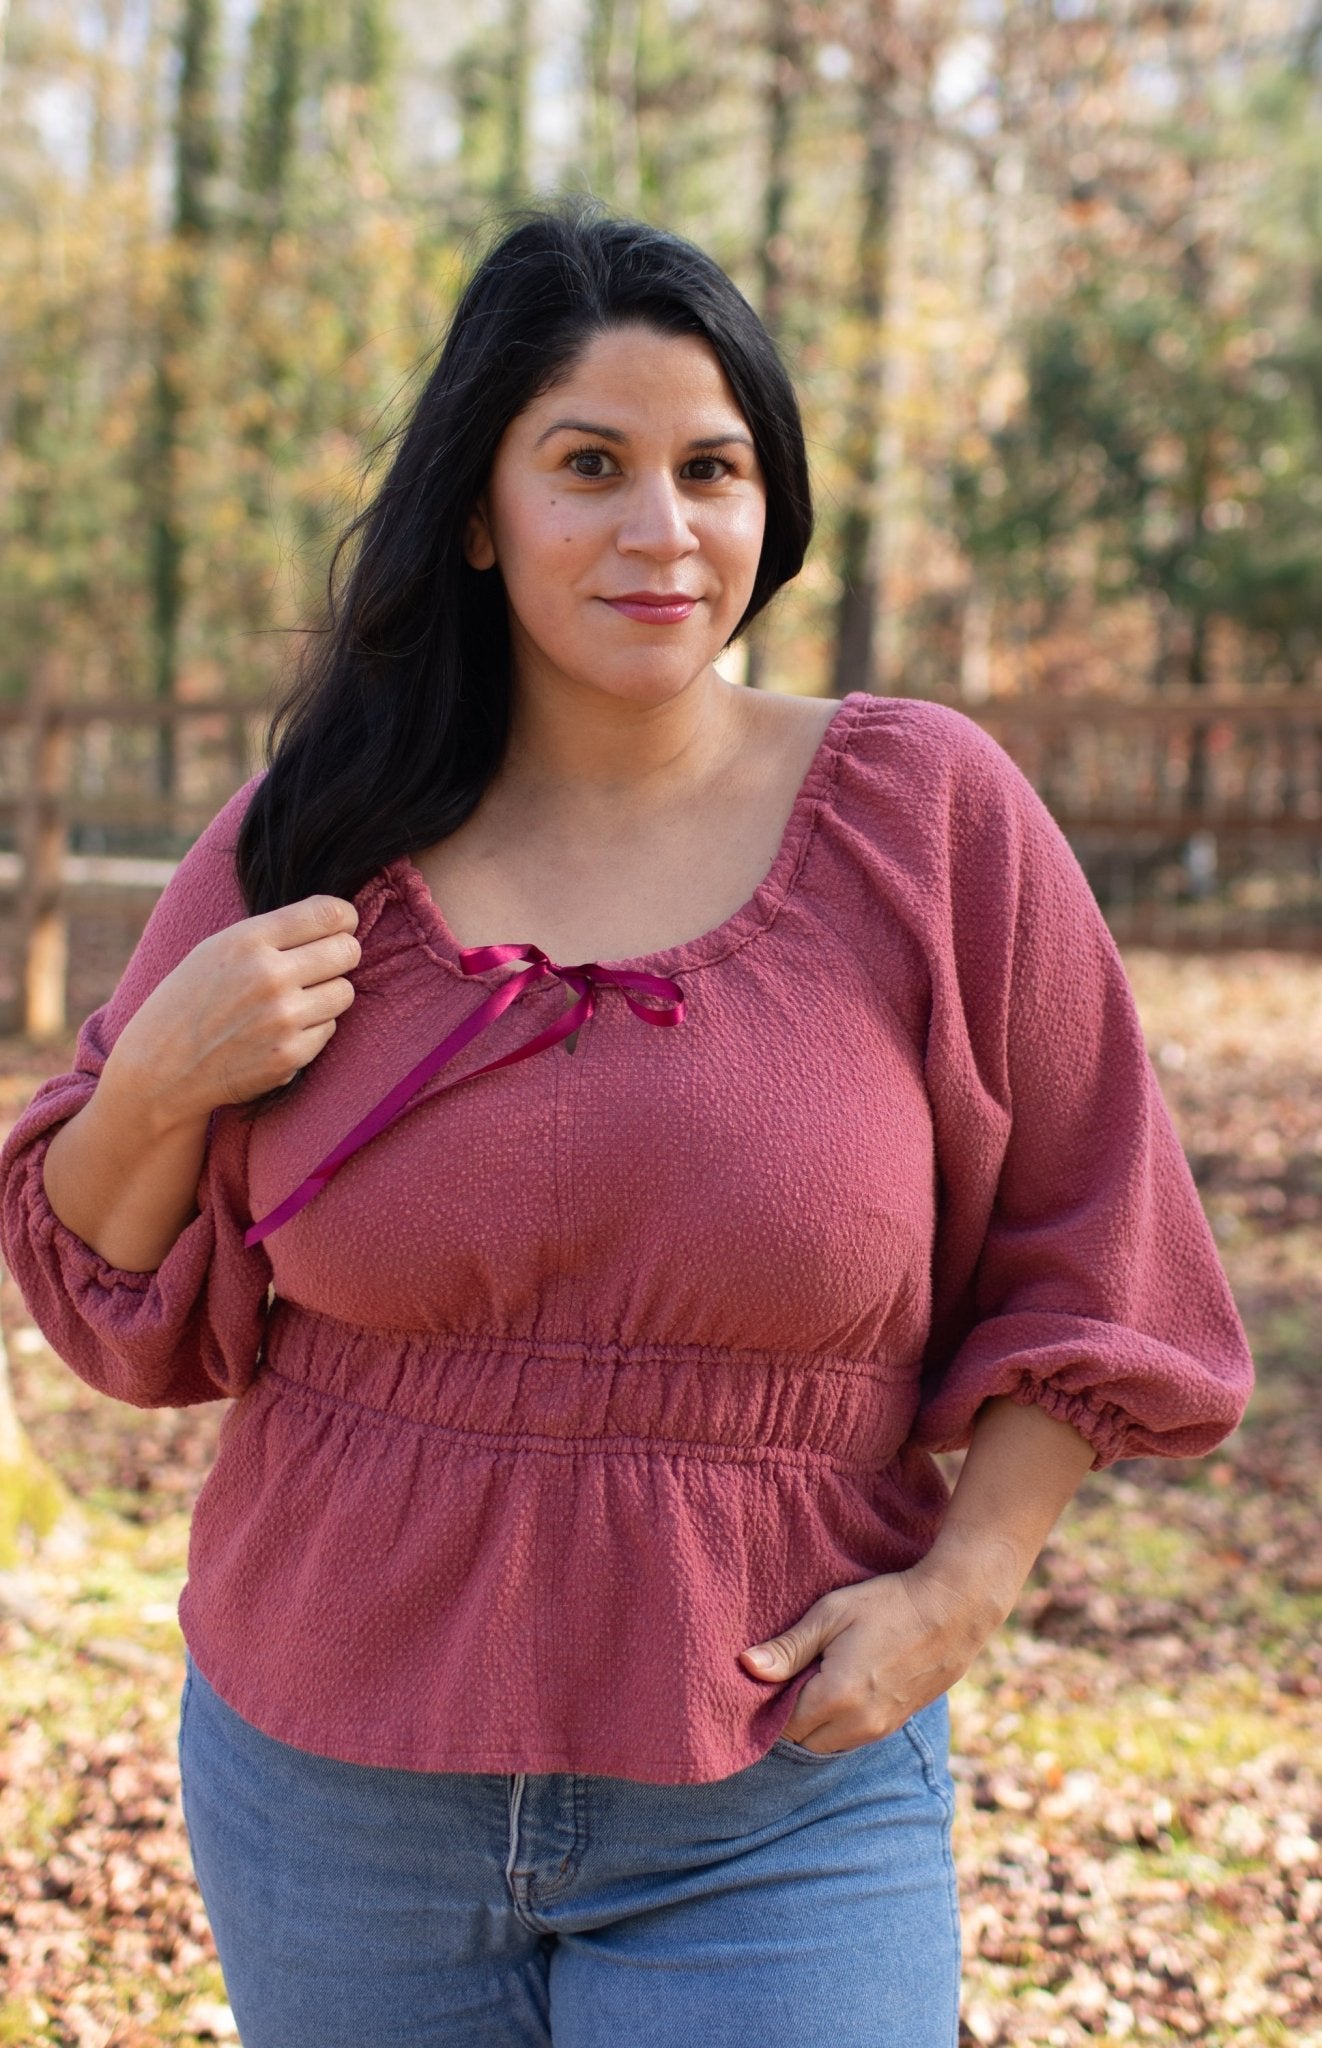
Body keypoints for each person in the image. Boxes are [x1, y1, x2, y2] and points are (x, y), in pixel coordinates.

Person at [0, 202, 1252, 2048]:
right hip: (329, 1785)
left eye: (710, 469)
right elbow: (101, 1286)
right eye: (588, 466)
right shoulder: (320, 830)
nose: (660, 529)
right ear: (478, 513)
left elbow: (1102, 1238)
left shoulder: (925, 816)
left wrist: (966, 1584)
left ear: (769, 505)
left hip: (775, 1782)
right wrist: (164, 1075)